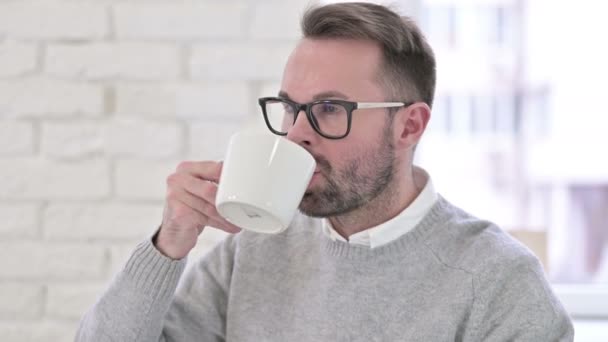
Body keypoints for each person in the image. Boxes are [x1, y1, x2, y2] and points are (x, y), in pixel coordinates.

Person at [76, 2, 574, 341]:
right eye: (291, 108)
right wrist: (169, 244)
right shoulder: (255, 250)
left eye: (331, 109)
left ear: (410, 126)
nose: (296, 135)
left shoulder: (498, 280)